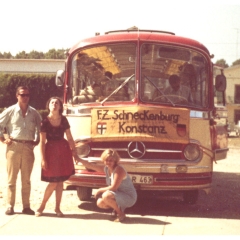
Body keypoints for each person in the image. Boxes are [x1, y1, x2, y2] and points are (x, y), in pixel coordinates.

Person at [0, 86, 42, 215]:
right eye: (22, 95)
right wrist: (3, 138)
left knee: (26, 180)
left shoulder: (34, 113)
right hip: (14, 147)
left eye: (27, 95)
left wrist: (37, 140)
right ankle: (10, 206)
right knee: (11, 179)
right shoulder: (10, 111)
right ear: (17, 96)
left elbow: (40, 127)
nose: (25, 97)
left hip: (28, 148)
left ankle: (26, 206)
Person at [35, 97, 78, 217]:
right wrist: (43, 159)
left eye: (57, 103)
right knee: (53, 182)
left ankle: (57, 208)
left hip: (63, 151)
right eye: (52, 103)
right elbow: (42, 142)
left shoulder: (64, 120)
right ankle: (42, 206)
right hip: (51, 152)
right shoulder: (44, 122)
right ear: (48, 105)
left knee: (60, 181)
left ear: (60, 106)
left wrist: (74, 152)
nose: (54, 105)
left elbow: (69, 137)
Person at [76, 149, 137, 222]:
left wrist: (99, 190)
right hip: (119, 194)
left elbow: (114, 188)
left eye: (111, 160)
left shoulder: (119, 169)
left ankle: (120, 213)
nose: (108, 162)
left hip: (129, 197)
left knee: (106, 196)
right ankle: (117, 208)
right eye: (106, 160)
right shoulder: (107, 169)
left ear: (115, 161)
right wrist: (78, 159)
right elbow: (91, 165)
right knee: (100, 203)